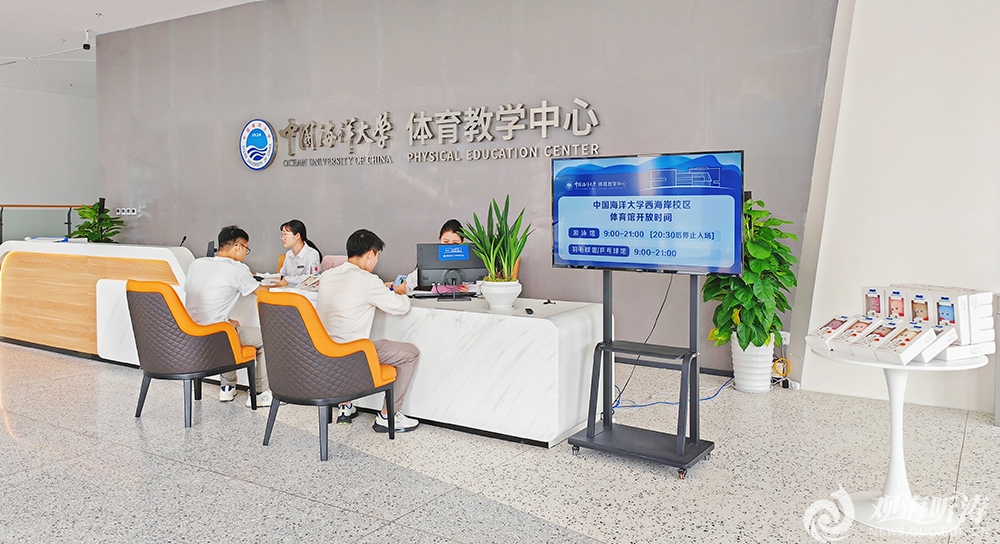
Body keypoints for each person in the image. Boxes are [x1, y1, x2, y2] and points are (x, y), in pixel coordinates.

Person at [316, 229, 420, 432]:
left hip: (324, 355)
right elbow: (401, 307)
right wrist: (400, 292)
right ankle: (388, 415)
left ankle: (346, 405)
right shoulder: (368, 280)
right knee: (410, 354)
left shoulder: (327, 276)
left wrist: (379, 288)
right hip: (352, 355)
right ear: (371, 253)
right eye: (377, 255)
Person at [184, 225, 272, 407]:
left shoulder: (196, 264)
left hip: (192, 334)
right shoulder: (238, 269)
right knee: (268, 337)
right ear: (238, 247)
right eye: (246, 249)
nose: (245, 254)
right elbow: (263, 293)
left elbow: (200, 301)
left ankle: (227, 387)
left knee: (229, 327)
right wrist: (279, 285)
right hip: (218, 336)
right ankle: (260, 392)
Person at [404, 219, 466, 293]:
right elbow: (410, 280)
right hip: (434, 299)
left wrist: (471, 290)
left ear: (462, 243)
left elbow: (478, 286)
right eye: (446, 242)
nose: (449, 247)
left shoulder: (469, 261)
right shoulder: (431, 260)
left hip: (464, 299)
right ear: (440, 240)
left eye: (455, 243)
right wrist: (399, 286)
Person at [273, 219, 321, 288]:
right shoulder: (289, 254)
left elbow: (312, 278)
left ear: (297, 236)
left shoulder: (312, 254)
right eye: (282, 235)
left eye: (285, 234)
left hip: (306, 291)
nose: (283, 238)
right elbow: (281, 275)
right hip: (289, 290)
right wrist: (261, 276)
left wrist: (287, 279)